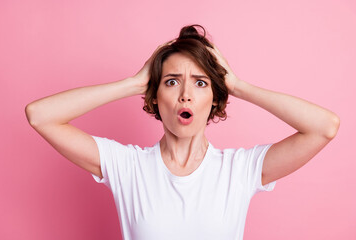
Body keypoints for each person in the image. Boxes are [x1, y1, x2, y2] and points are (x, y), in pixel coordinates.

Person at [25, 25, 340, 240]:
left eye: (200, 83)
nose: (185, 94)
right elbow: (40, 115)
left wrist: (238, 86)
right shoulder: (127, 167)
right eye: (172, 81)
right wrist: (134, 83)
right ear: (154, 97)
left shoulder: (239, 170)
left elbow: (324, 127)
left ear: (214, 98)